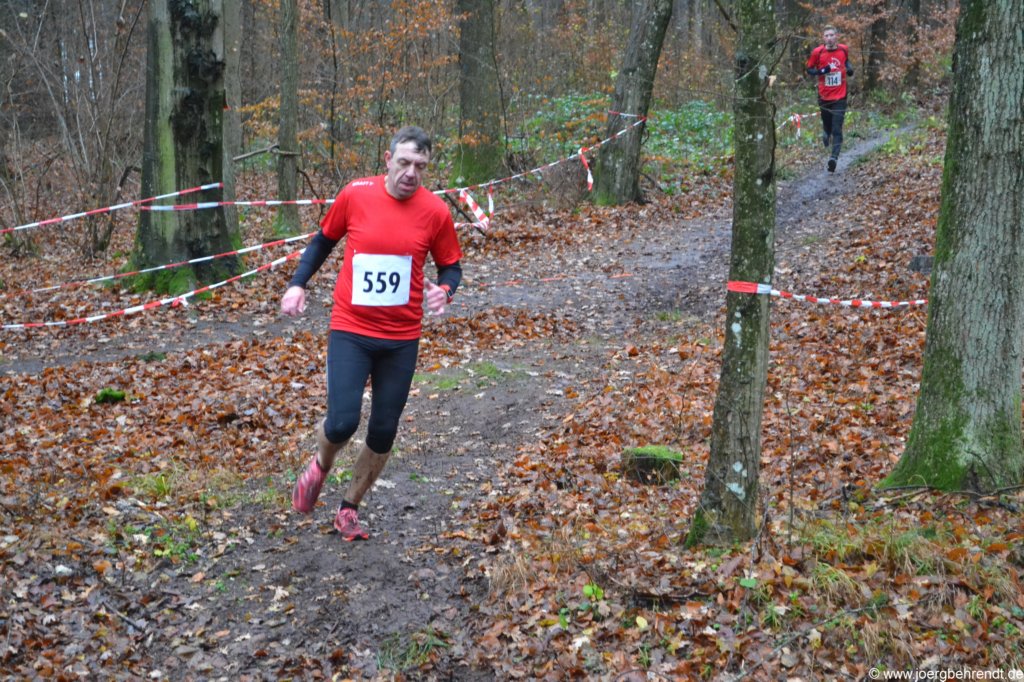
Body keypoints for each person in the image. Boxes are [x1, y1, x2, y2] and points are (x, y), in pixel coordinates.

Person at [280, 126, 463, 541]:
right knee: (342, 422)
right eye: (404, 162)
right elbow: (323, 241)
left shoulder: (435, 211)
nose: (411, 173)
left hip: (401, 338)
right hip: (351, 329)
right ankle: (321, 465)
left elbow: (451, 266)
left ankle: (349, 508)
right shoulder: (356, 194)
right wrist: (298, 284)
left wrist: (445, 291)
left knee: (383, 430)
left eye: (420, 166)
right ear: (388, 159)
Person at [806, 25, 854, 173]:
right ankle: (826, 132)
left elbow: (846, 61)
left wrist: (849, 68)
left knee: (837, 128)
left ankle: (833, 158)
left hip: (840, 96)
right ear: (823, 38)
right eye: (826, 35)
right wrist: (822, 71)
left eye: (832, 35)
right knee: (827, 125)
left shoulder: (843, 49)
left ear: (836, 36)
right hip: (824, 96)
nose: (829, 38)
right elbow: (809, 69)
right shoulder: (818, 52)